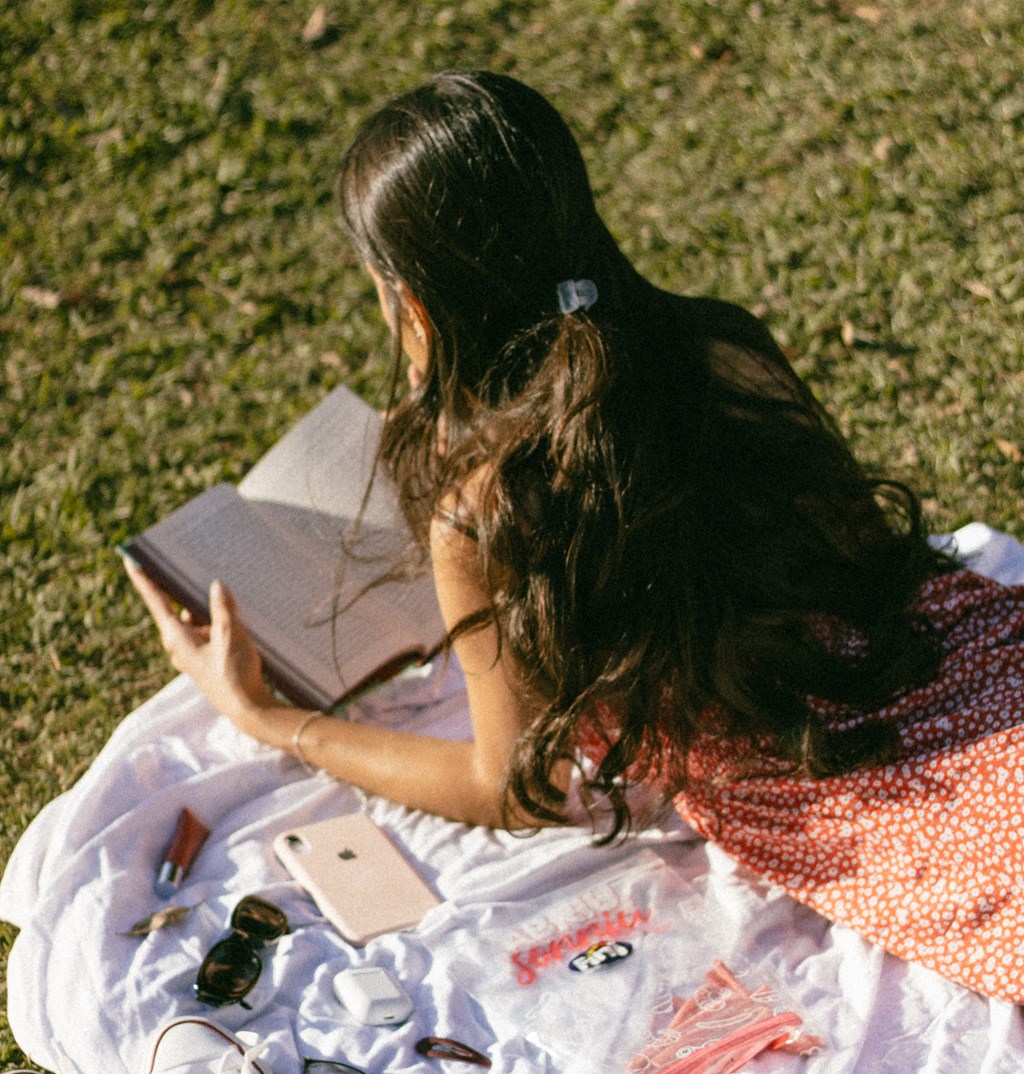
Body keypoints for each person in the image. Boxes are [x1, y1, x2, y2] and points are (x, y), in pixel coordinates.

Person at [127, 70, 1024, 1001]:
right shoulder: (727, 345)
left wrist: (275, 720)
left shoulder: (483, 511)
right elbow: (866, 554)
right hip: (957, 668)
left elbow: (510, 785)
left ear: (418, 310)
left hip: (856, 789)